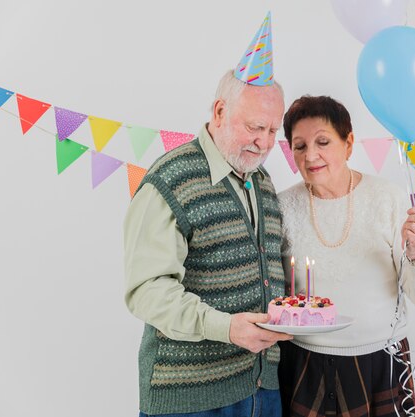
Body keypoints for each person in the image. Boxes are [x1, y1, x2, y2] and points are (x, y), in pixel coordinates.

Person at [123, 68, 292, 417]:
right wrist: (226, 328)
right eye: (254, 127)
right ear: (219, 112)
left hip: (263, 391)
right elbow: (147, 290)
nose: (264, 142)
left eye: (273, 130)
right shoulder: (170, 180)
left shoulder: (262, 181)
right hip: (190, 398)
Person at [277, 95, 415, 417]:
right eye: (299, 146)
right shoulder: (282, 207)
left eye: (323, 142)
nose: (310, 155)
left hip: (380, 365)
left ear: (349, 143)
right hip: (304, 364)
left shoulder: (386, 198)